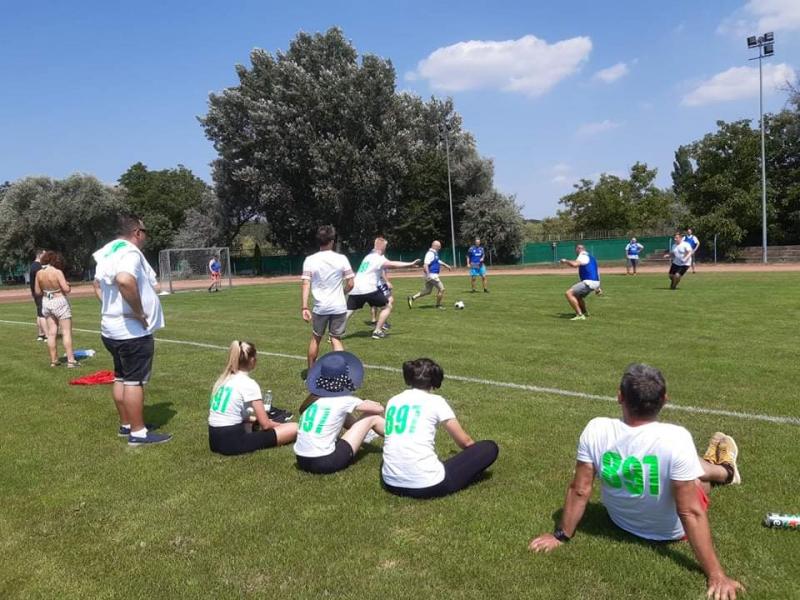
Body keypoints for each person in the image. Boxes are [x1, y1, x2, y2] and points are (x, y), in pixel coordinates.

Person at [529, 364, 743, 600]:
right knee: (695, 480)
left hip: (620, 522)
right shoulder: (676, 437)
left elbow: (580, 490)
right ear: (665, 399)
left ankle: (720, 468)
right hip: (671, 533)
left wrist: (560, 535)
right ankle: (726, 471)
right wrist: (716, 575)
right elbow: (691, 511)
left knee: (686, 467)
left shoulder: (596, 429)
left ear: (620, 397)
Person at [92, 214, 172, 445]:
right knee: (134, 381)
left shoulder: (108, 251)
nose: (145, 236)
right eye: (144, 232)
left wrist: (110, 308)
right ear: (137, 232)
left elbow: (96, 284)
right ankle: (138, 433)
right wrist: (137, 312)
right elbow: (125, 280)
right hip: (131, 332)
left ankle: (126, 424)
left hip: (111, 328)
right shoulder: (129, 253)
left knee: (121, 376)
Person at [381, 358, 499, 498]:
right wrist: (474, 456)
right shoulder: (436, 401)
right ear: (435, 380)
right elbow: (465, 442)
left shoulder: (393, 400)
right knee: (489, 447)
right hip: (427, 486)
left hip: (390, 483)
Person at [294, 351, 385, 474]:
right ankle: (401, 438)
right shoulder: (344, 400)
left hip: (301, 459)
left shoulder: (314, 400)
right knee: (372, 417)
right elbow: (379, 409)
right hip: (324, 461)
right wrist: (369, 402)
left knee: (343, 414)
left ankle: (367, 436)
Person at [208, 340, 297, 455]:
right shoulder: (249, 384)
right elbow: (265, 425)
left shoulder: (224, 380)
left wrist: (256, 420)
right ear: (252, 360)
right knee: (295, 427)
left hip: (214, 440)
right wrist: (282, 425)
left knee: (252, 422)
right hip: (232, 442)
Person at [301, 225, 354, 367]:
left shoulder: (310, 260)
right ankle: (342, 373)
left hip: (320, 307)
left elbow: (306, 283)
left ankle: (311, 373)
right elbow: (351, 283)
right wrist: (342, 293)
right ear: (332, 241)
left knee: (316, 338)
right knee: (336, 339)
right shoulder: (341, 258)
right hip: (339, 306)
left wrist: (304, 307)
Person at [346, 237, 420, 339]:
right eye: (385, 246)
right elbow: (393, 264)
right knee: (387, 306)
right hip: (368, 288)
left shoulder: (368, 257)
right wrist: (410, 264)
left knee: (349, 311)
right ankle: (377, 331)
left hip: (356, 287)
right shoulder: (379, 258)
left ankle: (334, 333)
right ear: (382, 247)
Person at [35, 251, 78, 368]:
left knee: (51, 333)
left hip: (46, 301)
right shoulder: (57, 272)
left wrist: (49, 292)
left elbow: (38, 291)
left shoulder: (39, 273)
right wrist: (68, 285)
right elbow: (66, 289)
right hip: (59, 301)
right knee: (66, 332)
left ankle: (54, 360)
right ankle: (71, 361)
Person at [407, 240, 452, 310]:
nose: (440, 248)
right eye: (439, 246)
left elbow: (438, 261)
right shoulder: (430, 253)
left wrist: (446, 265)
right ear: (434, 246)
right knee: (442, 289)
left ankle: (412, 298)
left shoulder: (434, 253)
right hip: (432, 275)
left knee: (428, 291)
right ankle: (438, 305)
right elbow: (425, 265)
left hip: (431, 275)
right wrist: (428, 275)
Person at [560, 244, 600, 321]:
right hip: (595, 282)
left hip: (588, 282)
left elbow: (575, 264)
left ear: (577, 249)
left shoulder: (582, 256)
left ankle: (580, 315)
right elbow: (596, 272)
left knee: (568, 293)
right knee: (578, 296)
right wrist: (598, 287)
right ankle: (584, 312)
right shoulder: (592, 257)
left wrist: (565, 261)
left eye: (576, 250)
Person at [29, 249, 47, 341]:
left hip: (36, 293)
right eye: (44, 255)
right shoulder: (38, 266)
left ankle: (41, 334)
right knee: (42, 314)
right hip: (39, 293)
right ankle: (47, 335)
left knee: (39, 313)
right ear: (40, 255)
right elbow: (41, 280)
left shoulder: (33, 265)